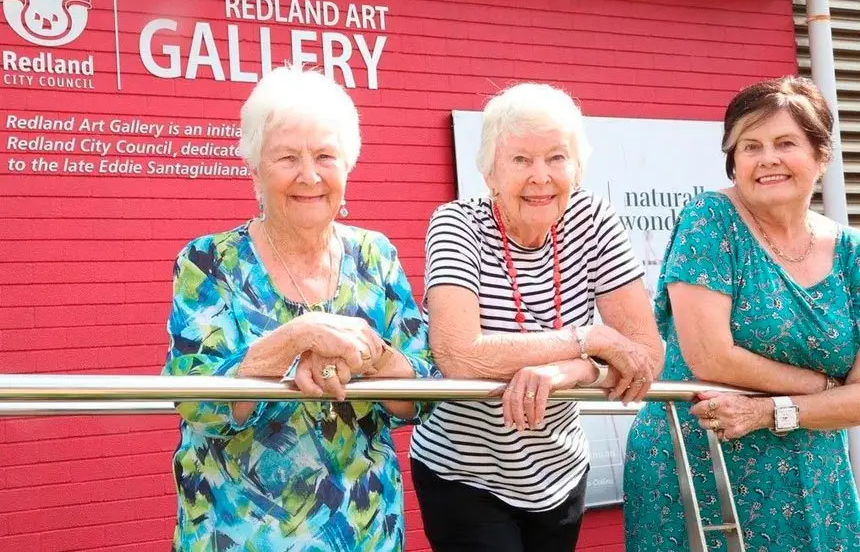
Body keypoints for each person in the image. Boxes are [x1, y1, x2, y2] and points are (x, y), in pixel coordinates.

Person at [162, 65, 439, 551]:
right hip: (238, 534)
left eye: (325, 156)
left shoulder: (375, 256)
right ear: (255, 169)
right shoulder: (209, 262)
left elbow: (420, 396)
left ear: (347, 165)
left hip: (363, 531)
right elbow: (196, 401)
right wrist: (296, 336)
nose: (309, 175)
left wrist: (371, 357)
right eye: (288, 157)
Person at [409, 82, 664, 552]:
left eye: (556, 158)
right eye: (521, 160)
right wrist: (590, 339)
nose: (540, 176)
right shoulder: (457, 223)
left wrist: (574, 369)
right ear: (489, 172)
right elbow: (457, 354)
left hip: (559, 473)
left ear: (577, 167)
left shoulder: (594, 220)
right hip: (464, 472)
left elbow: (645, 355)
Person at [624, 76, 860, 551]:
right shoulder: (710, 219)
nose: (767, 158)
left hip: (816, 475)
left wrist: (773, 411)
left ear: (821, 155)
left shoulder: (851, 252)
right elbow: (711, 356)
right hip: (701, 467)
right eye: (750, 146)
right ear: (734, 161)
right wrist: (822, 389)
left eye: (785, 143)